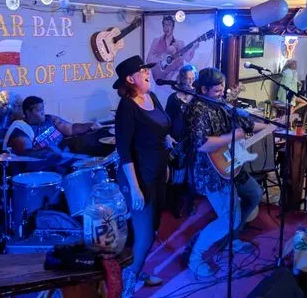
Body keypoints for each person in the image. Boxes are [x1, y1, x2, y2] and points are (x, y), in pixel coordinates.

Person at [184, 68, 275, 277]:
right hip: (210, 171)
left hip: (232, 163)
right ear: (203, 89)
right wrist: (232, 137)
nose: (221, 93)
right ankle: (195, 257)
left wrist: (270, 126)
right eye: (217, 90)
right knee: (228, 218)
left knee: (254, 193)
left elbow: (245, 124)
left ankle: (230, 239)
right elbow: (202, 144)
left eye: (222, 89)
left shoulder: (221, 104)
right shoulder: (196, 109)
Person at [113, 55, 174, 296]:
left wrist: (167, 139)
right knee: (146, 233)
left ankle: (134, 269)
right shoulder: (127, 107)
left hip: (158, 172)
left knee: (154, 226)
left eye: (147, 70)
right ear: (131, 79)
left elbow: (161, 127)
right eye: (143, 71)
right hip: (138, 177)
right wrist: (135, 188)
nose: (148, 73)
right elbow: (124, 151)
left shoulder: (153, 97)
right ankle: (127, 283)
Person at [3, 96, 101, 170]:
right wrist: (50, 151)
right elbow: (27, 158)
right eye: (39, 110)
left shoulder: (50, 119)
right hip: (48, 169)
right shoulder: (20, 130)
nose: (43, 113)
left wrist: (90, 125)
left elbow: (71, 129)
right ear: (28, 113)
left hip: (66, 159)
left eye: (43, 109)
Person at [165, 64, 197, 218]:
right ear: (181, 79)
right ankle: (175, 204)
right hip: (176, 142)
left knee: (192, 175)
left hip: (192, 141)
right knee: (177, 175)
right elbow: (166, 120)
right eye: (187, 79)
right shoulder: (173, 98)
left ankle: (191, 204)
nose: (190, 82)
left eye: (193, 78)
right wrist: (167, 136)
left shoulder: (198, 97)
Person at [146, 15, 199, 81]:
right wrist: (163, 56)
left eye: (169, 25)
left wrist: (193, 48)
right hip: (159, 76)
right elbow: (149, 59)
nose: (167, 27)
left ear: (173, 27)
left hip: (174, 77)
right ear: (163, 27)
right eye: (165, 25)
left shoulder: (180, 43)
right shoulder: (156, 41)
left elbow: (187, 58)